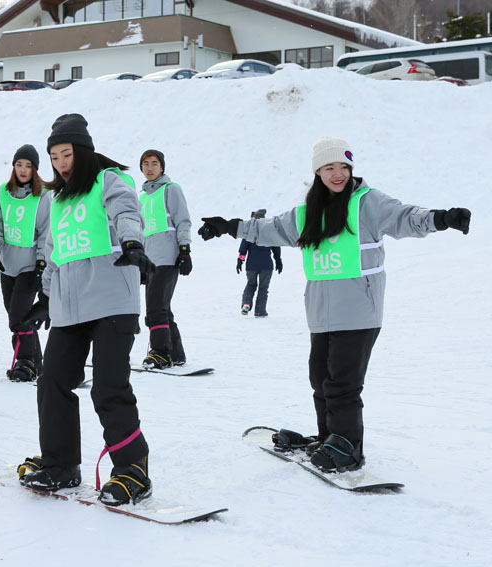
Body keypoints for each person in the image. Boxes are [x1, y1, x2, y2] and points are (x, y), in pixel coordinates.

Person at [197, 136, 471, 473]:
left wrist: (443, 218)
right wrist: (229, 227)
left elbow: (404, 217)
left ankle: (349, 447)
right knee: (321, 379)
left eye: (344, 166)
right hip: (321, 313)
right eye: (329, 167)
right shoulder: (307, 213)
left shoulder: (367, 203)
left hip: (359, 309)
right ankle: (330, 437)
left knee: (343, 383)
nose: (338, 173)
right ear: (318, 172)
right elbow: (270, 229)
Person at [17, 113, 155, 506]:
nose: (61, 162)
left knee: (109, 387)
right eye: (55, 156)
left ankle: (133, 470)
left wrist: (132, 244)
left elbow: (127, 212)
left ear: (83, 151)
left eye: (67, 153)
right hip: (68, 306)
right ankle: (60, 464)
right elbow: (53, 253)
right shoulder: (55, 199)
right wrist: (45, 297)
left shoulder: (108, 181)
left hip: (111, 299)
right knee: (53, 381)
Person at [0, 144, 50, 381]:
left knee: (19, 317)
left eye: (29, 166)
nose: (23, 170)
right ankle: (36, 362)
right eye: (19, 165)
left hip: (30, 267)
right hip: (8, 265)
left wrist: (42, 262)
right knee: (16, 317)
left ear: (35, 169)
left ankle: (25, 361)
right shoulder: (2, 192)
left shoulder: (43, 195)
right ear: (14, 167)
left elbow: (46, 231)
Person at [138, 149, 192, 369]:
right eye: (145, 164)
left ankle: (160, 353)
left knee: (156, 308)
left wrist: (185, 250)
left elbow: (183, 220)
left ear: (162, 167)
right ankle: (176, 353)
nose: (149, 168)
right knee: (162, 307)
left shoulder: (171, 190)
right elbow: (141, 231)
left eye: (154, 163)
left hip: (168, 258)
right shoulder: (141, 197)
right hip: (150, 260)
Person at [236, 209, 282, 317]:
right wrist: (278, 260)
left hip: (251, 265)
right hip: (266, 265)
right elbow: (276, 247)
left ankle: (246, 303)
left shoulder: (249, 231)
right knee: (263, 288)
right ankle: (260, 311)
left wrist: (240, 260)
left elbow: (243, 249)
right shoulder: (269, 231)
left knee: (251, 285)